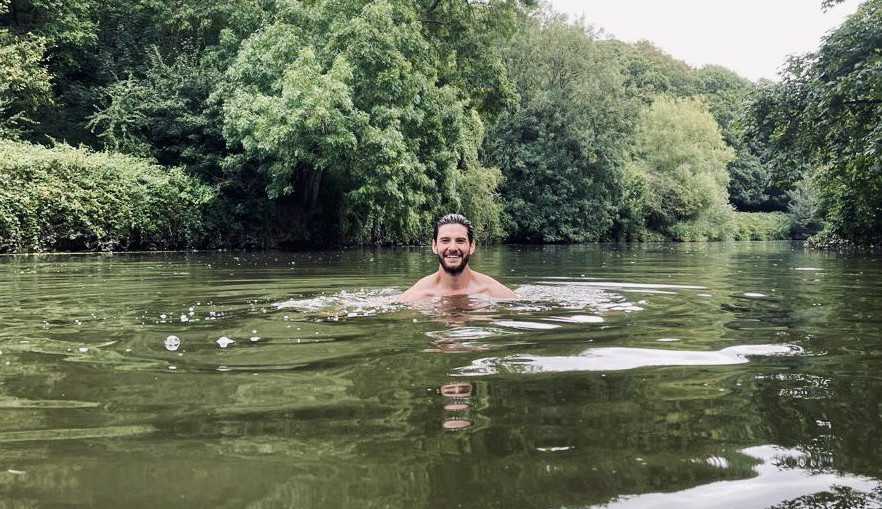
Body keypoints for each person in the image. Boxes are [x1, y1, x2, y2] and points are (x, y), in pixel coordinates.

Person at [397, 214, 519, 303]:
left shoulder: (493, 292)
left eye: (460, 241)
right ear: (434, 246)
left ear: (472, 246)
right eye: (445, 240)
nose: (453, 248)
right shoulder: (415, 296)